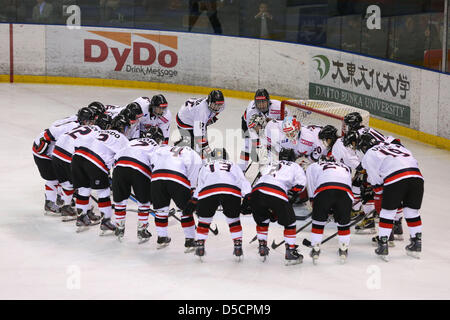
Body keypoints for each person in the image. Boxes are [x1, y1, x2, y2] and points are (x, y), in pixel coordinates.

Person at [357, 133, 424, 261]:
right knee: (411, 211)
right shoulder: (398, 147)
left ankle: (383, 245)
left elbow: (373, 177)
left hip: (396, 179)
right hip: (417, 177)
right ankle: (416, 243)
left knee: (387, 212)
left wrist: (378, 189)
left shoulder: (370, 153)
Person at [71, 114, 130, 233]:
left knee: (84, 188)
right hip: (95, 162)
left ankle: (81, 217)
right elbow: (123, 161)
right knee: (104, 192)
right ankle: (106, 221)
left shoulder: (101, 132)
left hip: (77, 158)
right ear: (123, 128)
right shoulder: (123, 139)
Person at [248, 148, 307, 265]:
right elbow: (301, 184)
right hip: (277, 192)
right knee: (290, 223)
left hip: (257, 191)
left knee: (262, 220)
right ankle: (290, 251)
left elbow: (262, 177)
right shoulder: (295, 166)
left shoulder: (272, 164)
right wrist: (290, 196)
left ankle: (262, 247)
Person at [192, 148, 252, 261]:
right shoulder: (233, 165)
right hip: (231, 191)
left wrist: (194, 200)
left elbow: (200, 186)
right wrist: (248, 196)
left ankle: (200, 245)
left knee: (204, 220)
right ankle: (237, 245)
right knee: (233, 220)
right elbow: (243, 181)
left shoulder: (206, 166)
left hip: (209, 191)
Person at [112, 127, 163, 243]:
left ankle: (119, 228)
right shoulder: (156, 147)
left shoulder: (133, 141)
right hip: (140, 169)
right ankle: (142, 230)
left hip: (119, 167)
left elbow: (116, 158)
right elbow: (156, 166)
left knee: (120, 200)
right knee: (144, 201)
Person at [148, 144, 203, 251]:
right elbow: (193, 173)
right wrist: (191, 190)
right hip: (177, 177)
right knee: (186, 210)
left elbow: (152, 161)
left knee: (160, 210)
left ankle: (162, 237)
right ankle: (190, 240)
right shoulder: (194, 154)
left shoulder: (163, 148)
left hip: (156, 177)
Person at [32, 107, 86, 215]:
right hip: (43, 152)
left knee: (62, 175)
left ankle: (61, 197)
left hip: (50, 150)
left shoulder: (76, 121)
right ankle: (50, 203)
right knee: (54, 178)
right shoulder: (71, 126)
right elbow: (50, 134)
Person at [51, 107, 97, 220]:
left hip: (56, 154)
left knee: (67, 184)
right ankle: (86, 213)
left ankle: (66, 207)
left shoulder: (74, 126)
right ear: (87, 121)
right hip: (68, 157)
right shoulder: (94, 131)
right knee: (84, 186)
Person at [305, 157, 353, 264]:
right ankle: (344, 248)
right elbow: (348, 182)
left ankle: (316, 248)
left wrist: (312, 199)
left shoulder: (314, 166)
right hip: (345, 191)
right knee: (343, 223)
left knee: (318, 222)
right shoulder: (345, 166)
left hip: (324, 189)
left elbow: (311, 182)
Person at [238, 88, 285, 171]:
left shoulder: (278, 106)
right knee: (247, 146)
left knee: (276, 146)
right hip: (250, 126)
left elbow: (287, 123)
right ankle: (240, 169)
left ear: (268, 101)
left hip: (272, 128)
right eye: (258, 103)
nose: (261, 105)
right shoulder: (251, 112)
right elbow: (254, 133)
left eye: (263, 102)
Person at [175, 90, 225, 159]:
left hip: (195, 117)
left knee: (201, 144)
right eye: (215, 104)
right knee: (191, 147)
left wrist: (210, 118)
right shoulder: (202, 111)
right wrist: (206, 147)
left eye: (219, 105)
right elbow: (198, 134)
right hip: (184, 120)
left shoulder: (221, 106)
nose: (217, 107)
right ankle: (180, 145)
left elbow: (215, 112)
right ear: (209, 102)